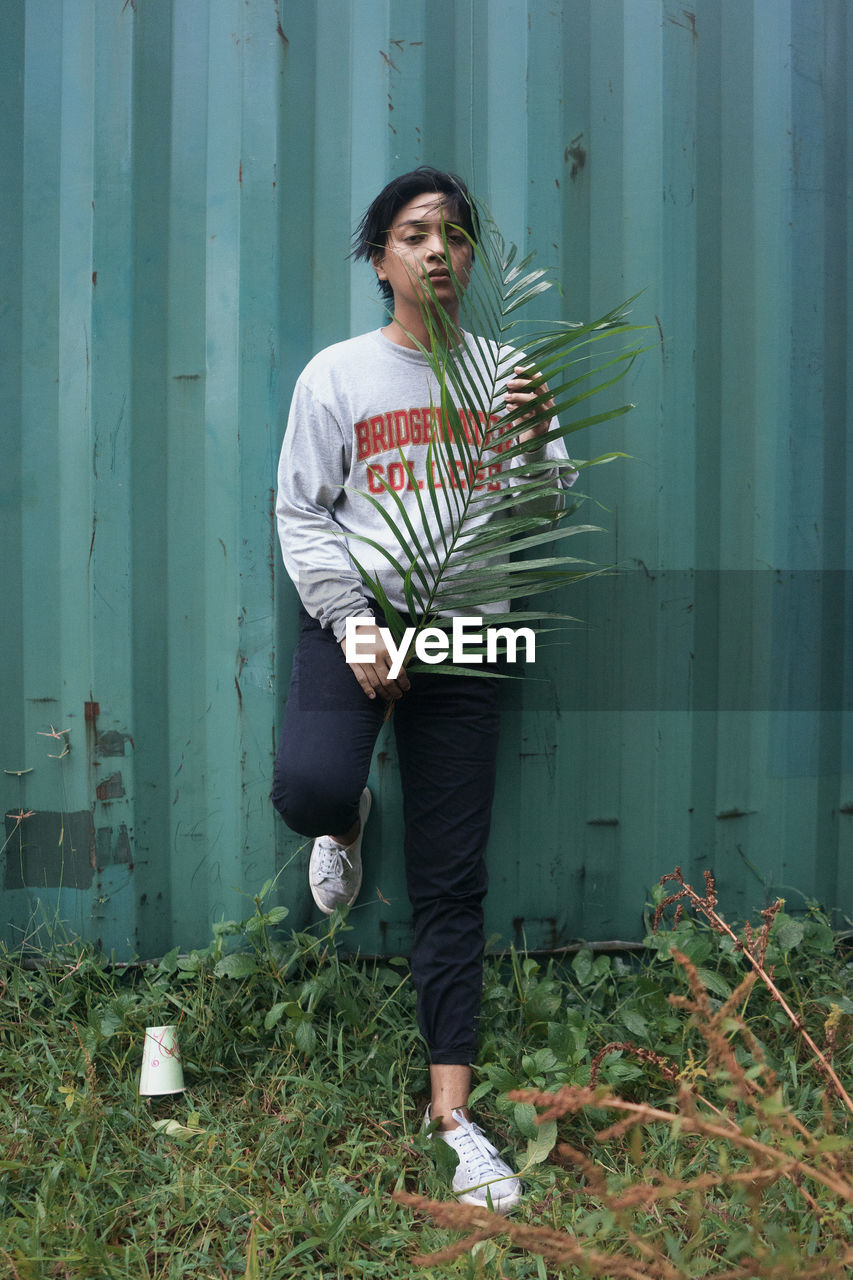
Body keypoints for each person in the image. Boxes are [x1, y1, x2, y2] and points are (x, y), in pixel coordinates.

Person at [272, 167, 571, 1213]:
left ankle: (453, 1114)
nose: (438, 250)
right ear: (381, 259)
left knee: (452, 877)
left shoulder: (506, 371)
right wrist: (356, 625)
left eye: (454, 234)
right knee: (308, 784)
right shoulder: (339, 375)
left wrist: (533, 434)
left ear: (469, 258)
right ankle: (345, 819)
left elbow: (546, 506)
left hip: (469, 635)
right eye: (414, 233)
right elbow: (302, 512)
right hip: (354, 622)